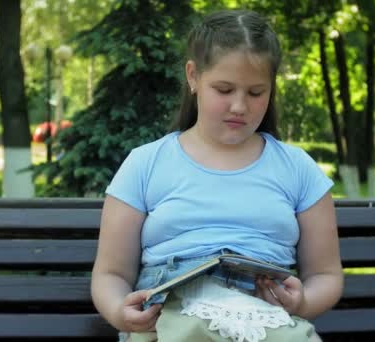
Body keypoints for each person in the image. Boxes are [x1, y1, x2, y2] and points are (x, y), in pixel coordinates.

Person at [91, 9, 343, 342]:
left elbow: (326, 274)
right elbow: (111, 272)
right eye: (224, 90)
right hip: (170, 315)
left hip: (265, 317)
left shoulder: (297, 169)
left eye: (256, 93)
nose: (239, 106)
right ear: (193, 77)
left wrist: (304, 301)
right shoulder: (145, 164)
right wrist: (117, 311)